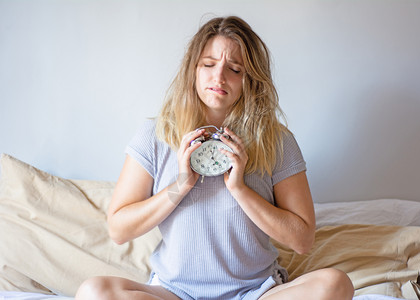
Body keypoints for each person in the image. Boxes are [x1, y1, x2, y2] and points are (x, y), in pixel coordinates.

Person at [75, 16, 354, 300]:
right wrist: (181, 185)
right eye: (209, 64)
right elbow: (118, 230)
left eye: (234, 69)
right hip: (175, 292)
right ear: (193, 70)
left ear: (251, 80)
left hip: (255, 293)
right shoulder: (154, 135)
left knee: (334, 284)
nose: (218, 77)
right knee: (93, 292)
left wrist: (239, 189)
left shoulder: (277, 141)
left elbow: (303, 240)